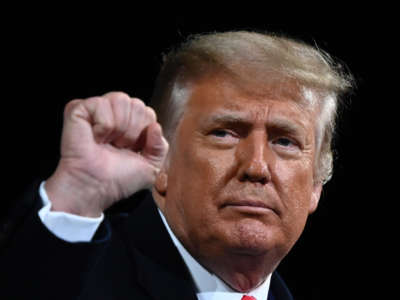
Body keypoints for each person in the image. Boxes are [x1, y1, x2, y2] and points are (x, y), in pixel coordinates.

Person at [1, 30, 353, 299]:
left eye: (284, 141)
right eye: (225, 133)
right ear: (163, 159)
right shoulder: (87, 275)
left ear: (315, 185)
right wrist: (77, 198)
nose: (257, 166)